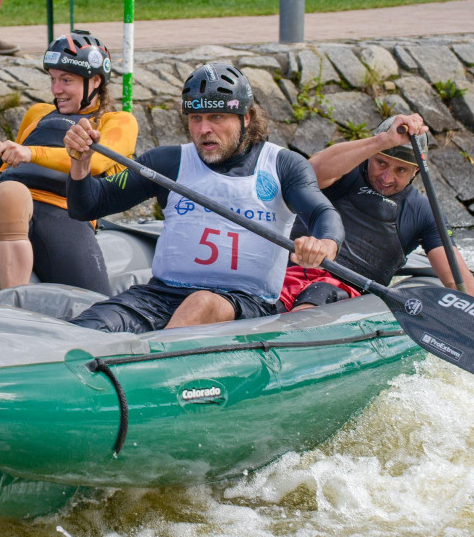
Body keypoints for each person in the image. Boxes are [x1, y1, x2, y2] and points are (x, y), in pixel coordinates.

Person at [62, 62, 345, 333]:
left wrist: (324, 244)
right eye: (195, 118)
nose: (203, 130)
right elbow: (87, 205)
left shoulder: (283, 165)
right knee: (90, 327)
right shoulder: (167, 162)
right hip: (161, 295)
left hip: (246, 303)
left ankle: (157, 365)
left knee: (202, 303)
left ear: (246, 118)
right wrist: (81, 163)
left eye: (216, 117)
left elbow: (323, 214)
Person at [0, 31, 137, 293]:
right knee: (11, 191)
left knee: (98, 303)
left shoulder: (118, 122)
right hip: (3, 212)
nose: (56, 90)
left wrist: (32, 153)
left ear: (96, 80)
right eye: (53, 79)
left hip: (64, 215)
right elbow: (4, 169)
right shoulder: (38, 113)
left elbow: (97, 162)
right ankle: (15, 305)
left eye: (66, 80)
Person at [278, 114, 474, 311]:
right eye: (381, 163)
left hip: (343, 297)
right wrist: (381, 141)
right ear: (371, 155)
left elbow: (458, 282)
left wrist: (473, 312)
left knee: (320, 293)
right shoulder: (343, 171)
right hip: (286, 274)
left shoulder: (424, 213)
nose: (386, 177)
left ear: (416, 172)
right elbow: (310, 170)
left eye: (401, 170)